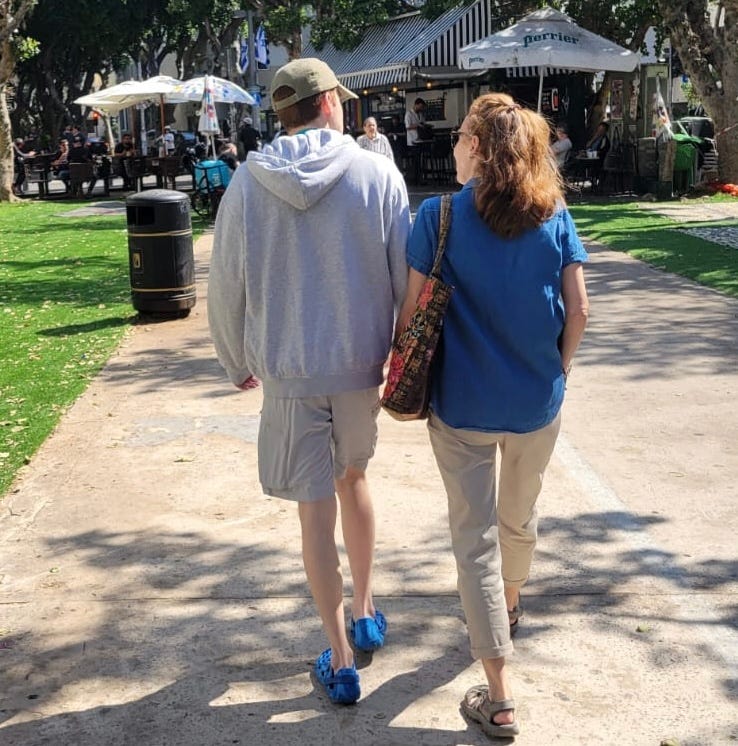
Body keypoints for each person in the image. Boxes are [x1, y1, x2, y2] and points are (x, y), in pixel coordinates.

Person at [208, 57, 410, 706]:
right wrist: (402, 358)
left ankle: (341, 654)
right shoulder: (379, 174)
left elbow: (226, 282)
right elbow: (404, 279)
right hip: (359, 367)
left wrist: (235, 358)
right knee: (354, 479)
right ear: (330, 104)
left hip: (290, 372)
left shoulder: (247, 184)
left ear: (284, 112)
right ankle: (367, 606)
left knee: (313, 511)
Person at [397, 92, 589, 738]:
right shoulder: (554, 213)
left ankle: (500, 692)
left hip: (462, 405)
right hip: (537, 403)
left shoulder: (438, 216)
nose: (453, 148)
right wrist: (556, 374)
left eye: (459, 139)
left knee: (472, 537)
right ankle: (508, 602)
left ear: (477, 147)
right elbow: (581, 311)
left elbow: (410, 315)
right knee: (519, 516)